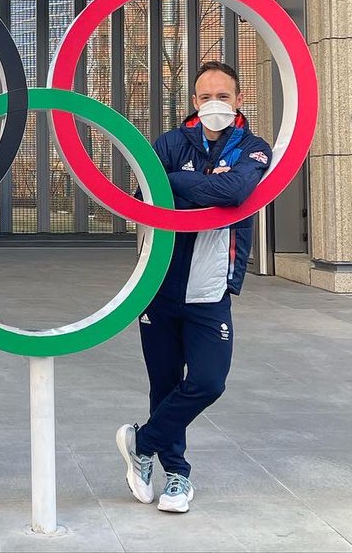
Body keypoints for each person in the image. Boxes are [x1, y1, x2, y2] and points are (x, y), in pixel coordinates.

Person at [116, 62, 272, 515]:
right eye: (206, 97)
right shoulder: (169, 142)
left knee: (207, 381)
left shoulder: (254, 148)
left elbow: (239, 191)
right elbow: (150, 189)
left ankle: (141, 443)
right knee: (163, 384)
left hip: (209, 287)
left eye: (224, 96)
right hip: (160, 282)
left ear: (239, 101)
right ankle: (177, 476)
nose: (215, 105)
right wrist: (210, 187)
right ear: (193, 102)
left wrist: (188, 186)